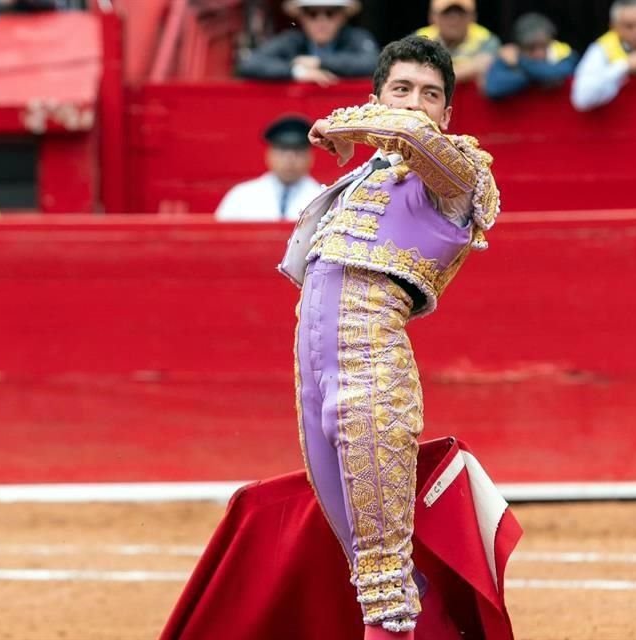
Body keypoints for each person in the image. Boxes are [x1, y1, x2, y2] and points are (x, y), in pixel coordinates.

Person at [278, 34, 500, 638]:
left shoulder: (458, 174)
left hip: (371, 365)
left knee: (380, 567)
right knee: (353, 552)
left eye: (430, 95)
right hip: (313, 368)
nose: (413, 103)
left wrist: (347, 123)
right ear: (378, 93)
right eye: (400, 89)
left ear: (448, 114)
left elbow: (415, 138)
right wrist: (357, 132)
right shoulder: (361, 179)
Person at [236, 0, 379, 86]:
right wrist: (298, 72)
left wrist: (319, 62)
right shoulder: (291, 40)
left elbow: (373, 63)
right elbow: (249, 63)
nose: (321, 22)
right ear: (301, 18)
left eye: (330, 13)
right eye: (312, 14)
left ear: (343, 17)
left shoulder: (357, 37)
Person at [216, 115, 322, 222]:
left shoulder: (324, 199)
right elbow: (219, 235)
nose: (290, 160)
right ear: (269, 155)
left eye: (298, 152)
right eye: (282, 151)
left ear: (311, 157)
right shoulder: (240, 196)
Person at [484, 12, 578, 100]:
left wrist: (521, 64)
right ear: (519, 47)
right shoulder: (510, 54)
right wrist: (538, 75)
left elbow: (557, 73)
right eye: (531, 48)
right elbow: (493, 88)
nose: (539, 53)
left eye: (543, 46)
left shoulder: (564, 52)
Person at [415, 0, 500, 84]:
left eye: (461, 14)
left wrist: (432, 72)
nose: (454, 20)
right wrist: (472, 68)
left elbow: (487, 69)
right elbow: (411, 71)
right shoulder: (420, 38)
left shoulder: (486, 39)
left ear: (473, 16)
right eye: (446, 13)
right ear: (433, 16)